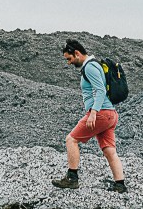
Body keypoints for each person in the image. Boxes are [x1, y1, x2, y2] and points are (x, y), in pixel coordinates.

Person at [52, 39, 127, 193]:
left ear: (77, 53)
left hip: (101, 113)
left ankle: (72, 179)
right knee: (109, 150)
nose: (68, 63)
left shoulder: (90, 67)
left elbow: (100, 91)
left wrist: (93, 113)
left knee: (71, 140)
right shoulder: (94, 65)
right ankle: (120, 185)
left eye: (69, 58)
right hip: (110, 114)